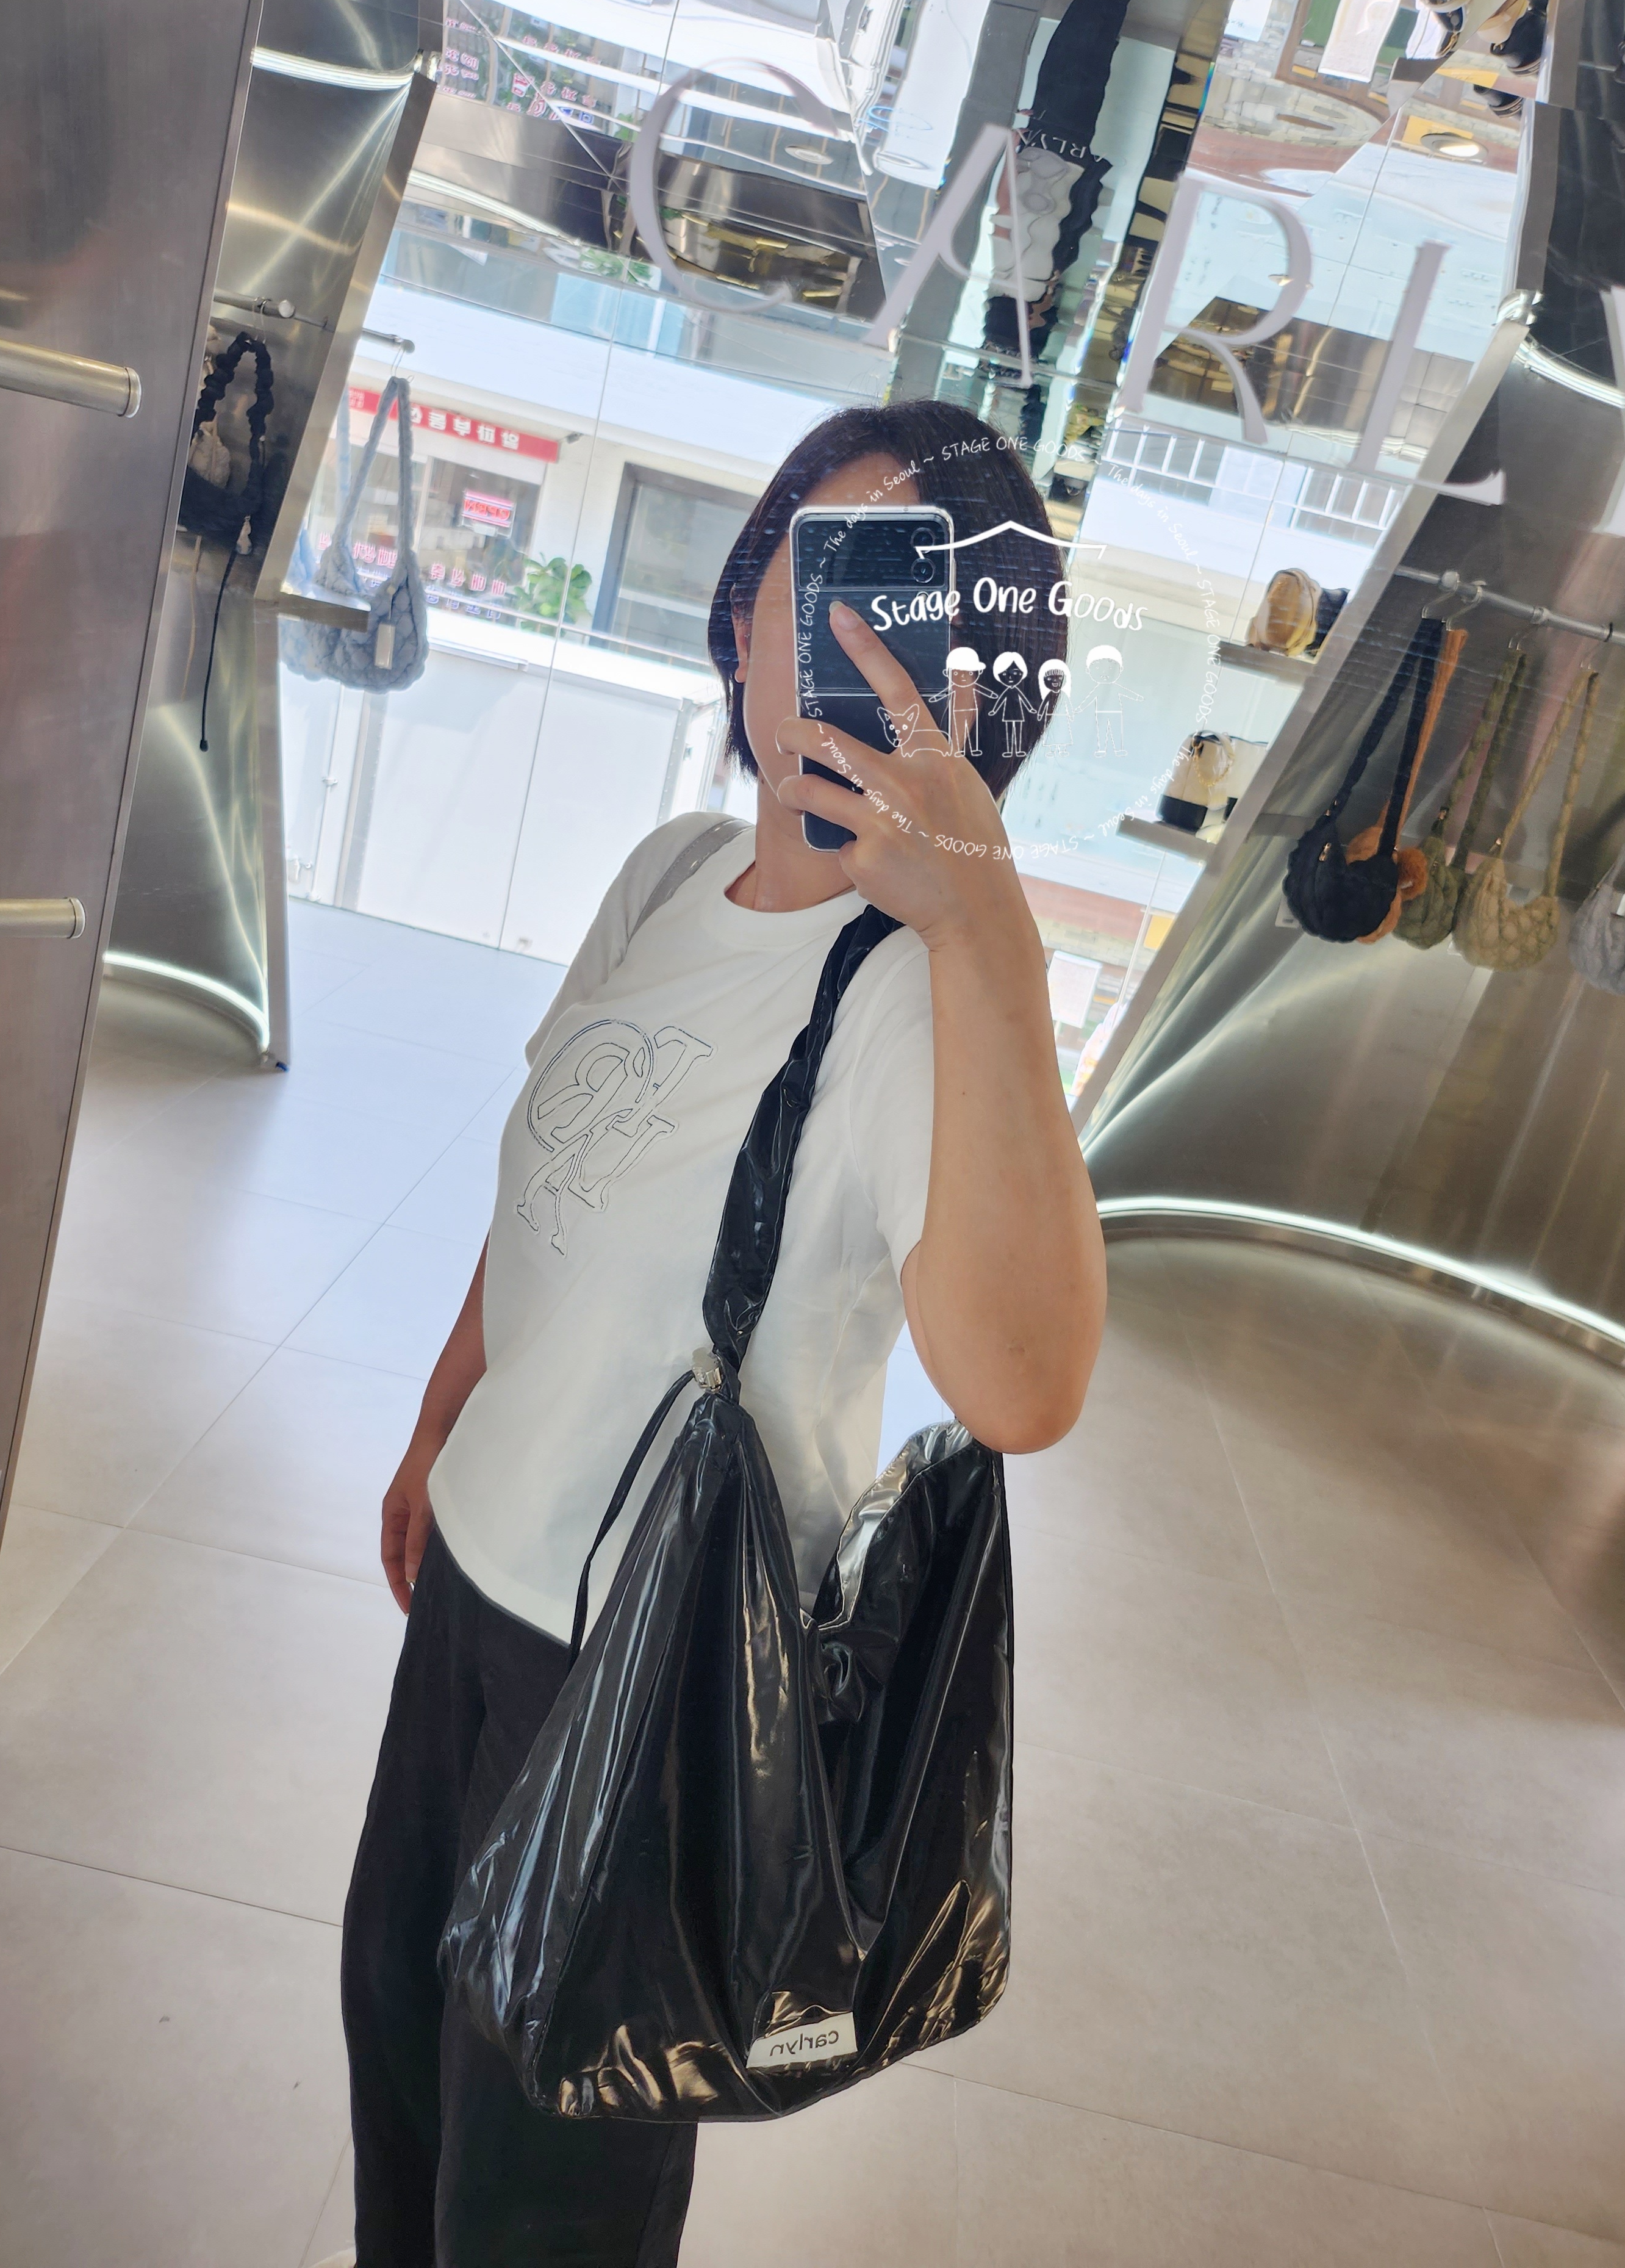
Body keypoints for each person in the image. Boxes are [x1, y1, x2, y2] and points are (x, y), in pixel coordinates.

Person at [334, 399, 1108, 2268]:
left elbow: (1026, 1385)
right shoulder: (674, 871)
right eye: (801, 564)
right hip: (478, 1602)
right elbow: (554, 1185)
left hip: (659, 1673)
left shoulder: (920, 995)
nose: (821, 632)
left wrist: (987, 928)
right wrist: (447, 1417)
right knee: (402, 2065)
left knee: (546, 2195)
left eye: (889, 598)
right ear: (746, 595)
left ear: (975, 673)